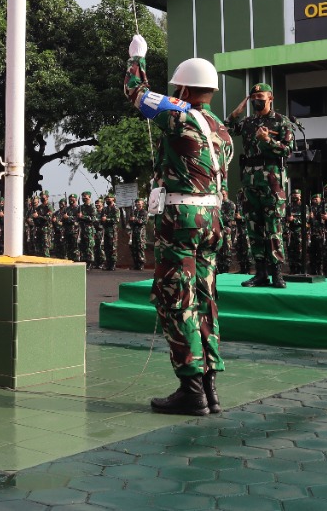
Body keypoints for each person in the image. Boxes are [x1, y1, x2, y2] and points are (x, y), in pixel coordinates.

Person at [125, 34, 234, 415]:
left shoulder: (178, 112)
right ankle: (209, 386)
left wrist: (136, 57)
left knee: (176, 299)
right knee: (205, 298)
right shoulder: (221, 128)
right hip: (213, 219)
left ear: (184, 88)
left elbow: (137, 93)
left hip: (182, 220)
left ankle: (191, 389)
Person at [228, 81, 295, 291]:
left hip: (272, 182)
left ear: (271, 98)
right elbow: (227, 127)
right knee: (253, 227)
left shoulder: (281, 121)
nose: (257, 101)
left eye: (261, 98)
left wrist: (268, 140)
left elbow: (287, 150)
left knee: (273, 227)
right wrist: (237, 109)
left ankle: (277, 273)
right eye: (253, 98)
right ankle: (260, 273)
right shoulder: (247, 122)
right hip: (250, 180)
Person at [285, 189, 308, 276]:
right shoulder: (288, 206)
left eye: (296, 194)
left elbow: (306, 220)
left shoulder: (304, 207)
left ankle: (300, 270)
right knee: (290, 252)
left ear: (300, 196)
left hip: (300, 233)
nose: (294, 196)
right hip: (290, 233)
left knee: (300, 252)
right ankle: (292, 269)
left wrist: (294, 220)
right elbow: (284, 219)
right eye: (293, 194)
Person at [126, 198, 147, 270]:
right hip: (133, 233)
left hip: (140, 233)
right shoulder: (134, 212)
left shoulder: (144, 212)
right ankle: (136, 264)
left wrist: (135, 219)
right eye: (136, 203)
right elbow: (129, 223)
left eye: (139, 203)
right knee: (133, 248)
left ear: (142, 204)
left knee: (140, 248)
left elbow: (143, 222)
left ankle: (141, 264)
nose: (137, 204)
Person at [78, 191, 98, 268]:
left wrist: (83, 217)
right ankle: (84, 261)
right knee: (83, 246)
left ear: (89, 197)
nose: (84, 198)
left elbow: (93, 218)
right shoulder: (81, 207)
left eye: (85, 197)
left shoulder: (92, 207)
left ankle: (90, 262)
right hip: (82, 229)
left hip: (89, 230)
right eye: (83, 197)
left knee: (89, 246)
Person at [100, 195, 120, 270]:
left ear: (113, 199)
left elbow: (116, 220)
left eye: (109, 198)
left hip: (113, 231)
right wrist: (102, 220)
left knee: (113, 248)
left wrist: (107, 219)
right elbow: (101, 220)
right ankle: (108, 264)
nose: (107, 200)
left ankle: (113, 265)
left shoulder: (116, 208)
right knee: (106, 248)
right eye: (106, 199)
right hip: (105, 231)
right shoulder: (104, 209)